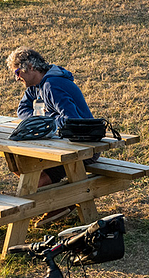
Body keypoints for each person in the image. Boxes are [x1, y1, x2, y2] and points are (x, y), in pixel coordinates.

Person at [6, 47, 91, 191]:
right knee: (20, 164)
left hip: (83, 148)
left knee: (36, 182)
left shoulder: (52, 85)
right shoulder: (36, 86)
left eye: (17, 72)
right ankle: (59, 207)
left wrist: (44, 121)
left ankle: (63, 205)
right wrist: (39, 121)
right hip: (64, 145)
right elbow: (22, 109)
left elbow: (72, 120)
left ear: (31, 67)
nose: (17, 78)